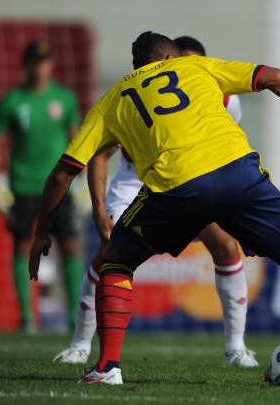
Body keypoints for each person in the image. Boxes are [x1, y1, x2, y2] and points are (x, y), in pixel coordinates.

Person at [29, 31, 280, 385]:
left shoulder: (113, 98)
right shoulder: (196, 67)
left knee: (116, 262)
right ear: (171, 56)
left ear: (136, 64)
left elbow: (65, 172)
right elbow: (272, 76)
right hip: (239, 175)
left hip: (176, 187)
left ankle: (106, 367)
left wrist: (41, 230)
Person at [53, 36, 259, 367]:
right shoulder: (140, 93)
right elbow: (102, 155)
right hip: (135, 183)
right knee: (108, 255)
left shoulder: (226, 100)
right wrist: (99, 209)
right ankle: (81, 345)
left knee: (226, 246)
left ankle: (236, 348)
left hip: (187, 181)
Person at [0, 41, 84, 333]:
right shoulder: (12, 101)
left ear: (51, 64)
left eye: (44, 61)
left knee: (70, 245)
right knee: (22, 245)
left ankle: (74, 317)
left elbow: (76, 138)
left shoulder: (65, 99)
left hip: (60, 185)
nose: (40, 67)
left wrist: (80, 178)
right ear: (26, 65)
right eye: (35, 61)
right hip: (23, 185)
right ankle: (27, 318)